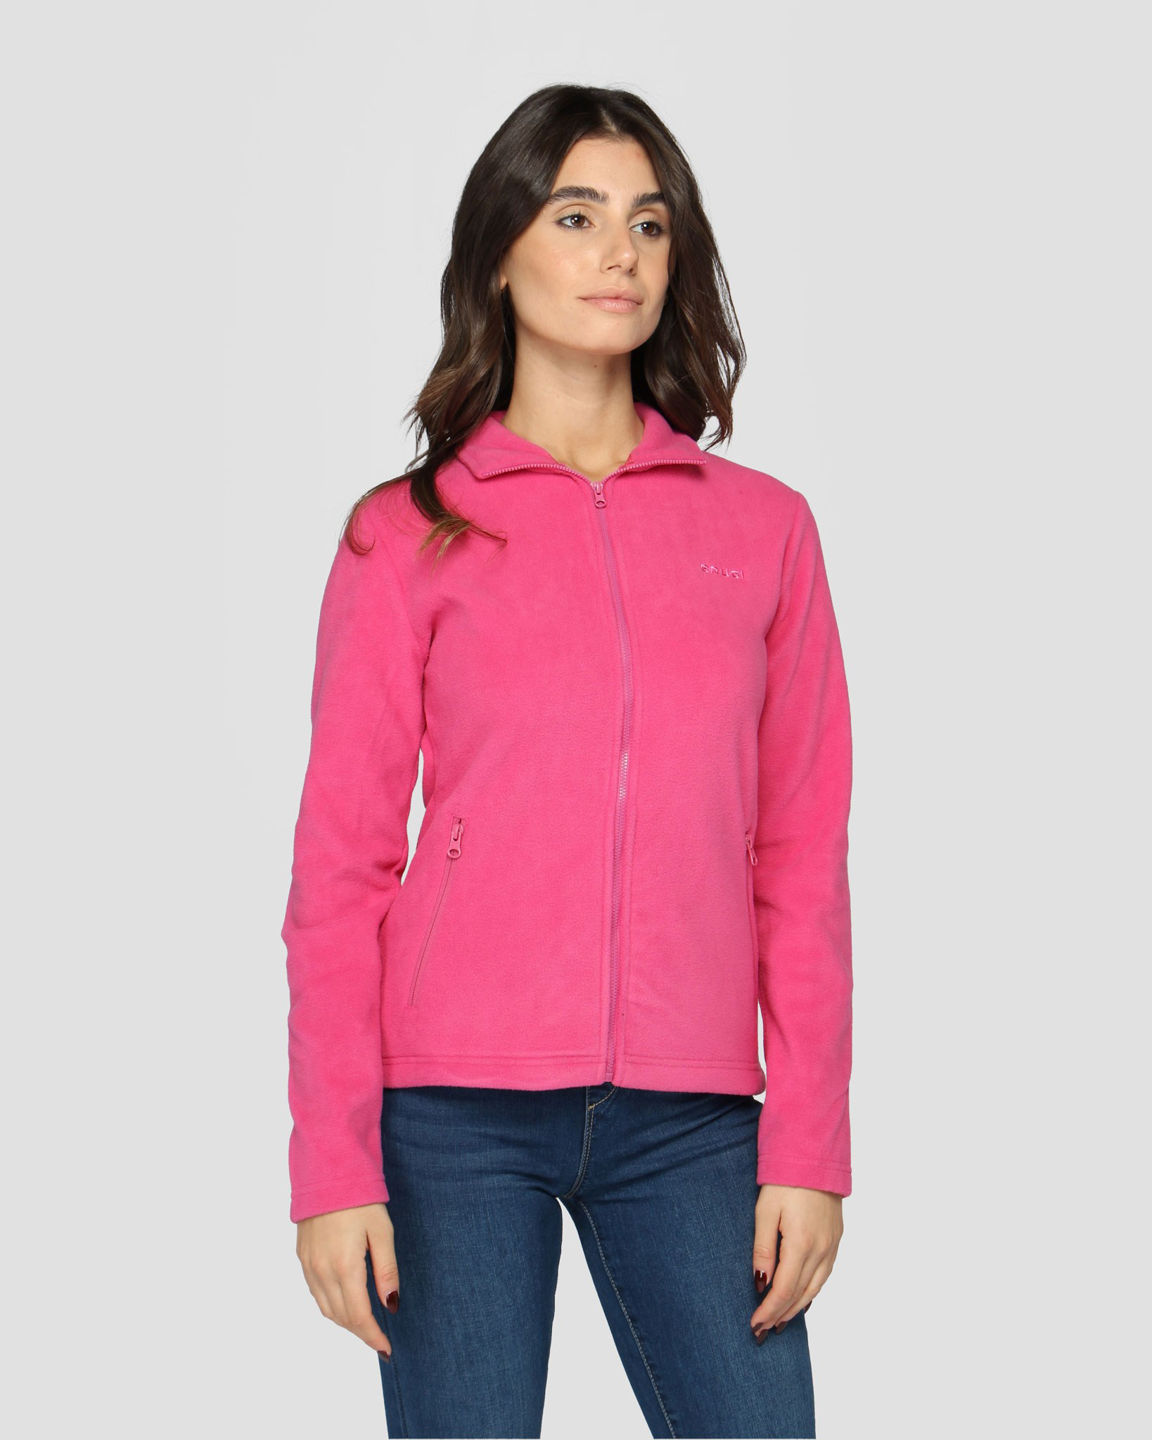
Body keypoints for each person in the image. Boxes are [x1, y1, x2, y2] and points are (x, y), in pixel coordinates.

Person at [281, 83, 854, 1439]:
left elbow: (802, 856)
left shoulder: (764, 531)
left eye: (649, 224)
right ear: (500, 253)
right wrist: (332, 1166)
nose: (621, 255)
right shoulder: (405, 536)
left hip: (694, 1116)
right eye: (577, 216)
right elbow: (339, 872)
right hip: (453, 1118)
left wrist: (810, 1144)